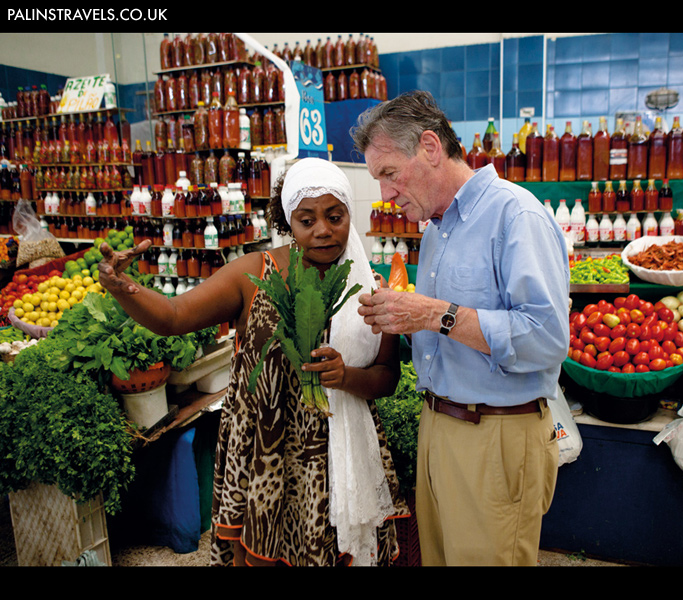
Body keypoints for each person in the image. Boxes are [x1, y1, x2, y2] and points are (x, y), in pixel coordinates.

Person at [99, 157, 408, 567]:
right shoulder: (253, 274)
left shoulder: (368, 286)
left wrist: (346, 376)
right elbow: (174, 317)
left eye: (335, 217)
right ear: (288, 222)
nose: (322, 231)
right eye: (306, 220)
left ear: (349, 213)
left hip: (339, 455)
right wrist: (124, 289)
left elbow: (387, 378)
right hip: (267, 451)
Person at [352, 91, 570, 566]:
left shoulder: (516, 215)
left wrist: (434, 315)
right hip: (439, 426)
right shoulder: (434, 232)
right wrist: (395, 317)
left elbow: (548, 339)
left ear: (430, 147)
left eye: (389, 174)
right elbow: (436, 331)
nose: (385, 194)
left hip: (496, 435)